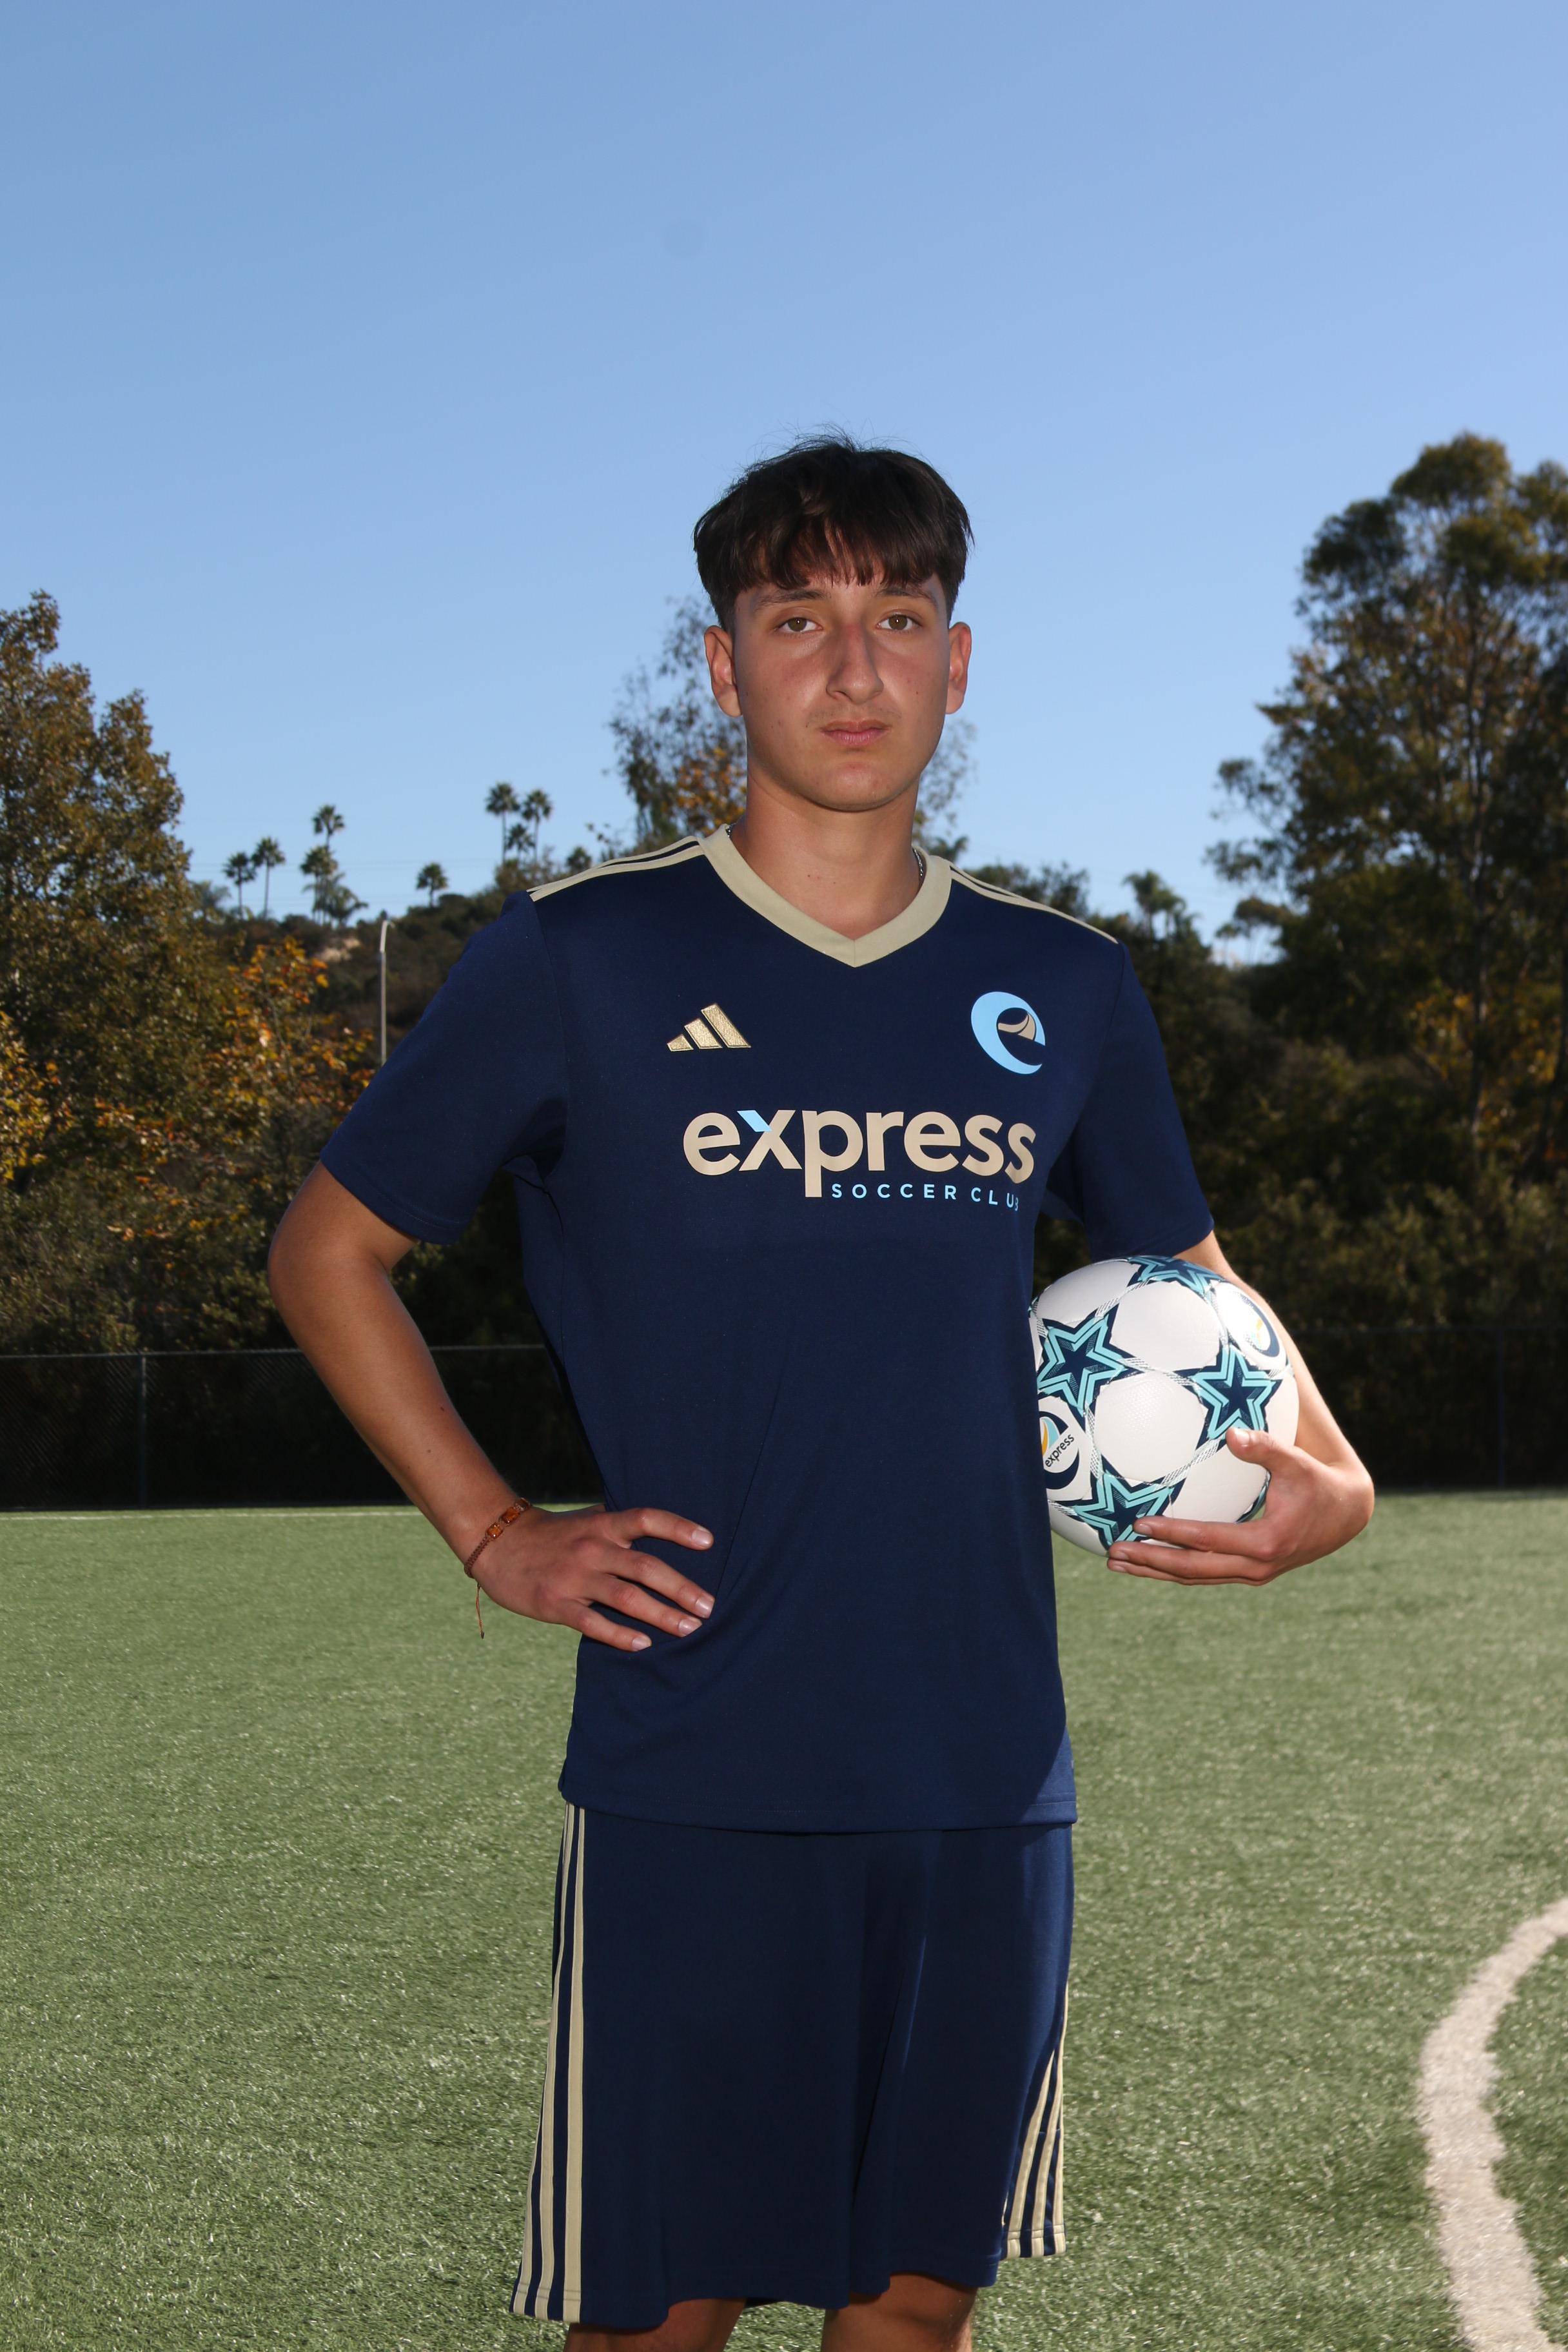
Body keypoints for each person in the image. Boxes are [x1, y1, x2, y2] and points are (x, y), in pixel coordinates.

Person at [268, 436, 1374, 2352]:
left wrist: (1339, 1479)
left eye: (900, 618)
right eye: (800, 620)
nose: (856, 669)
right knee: (657, 2321)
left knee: (911, 2315)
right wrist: (496, 1531)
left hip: (986, 1774)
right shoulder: (585, 957)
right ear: (723, 666)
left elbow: (1196, 1292)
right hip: (701, 1761)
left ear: (959, 660)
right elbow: (326, 1250)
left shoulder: (1066, 985)